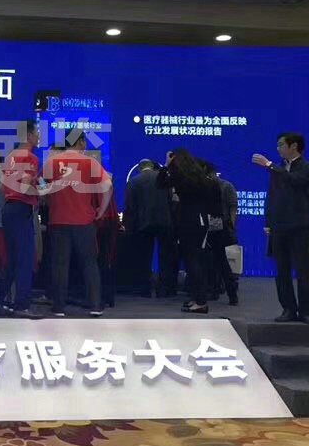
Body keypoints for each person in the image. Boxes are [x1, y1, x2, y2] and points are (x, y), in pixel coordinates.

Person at [43, 129, 112, 317]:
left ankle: (59, 307)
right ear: (81, 141)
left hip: (58, 220)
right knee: (89, 264)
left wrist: (51, 199)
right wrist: (101, 210)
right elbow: (108, 185)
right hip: (84, 221)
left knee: (60, 265)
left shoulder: (52, 162)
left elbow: (41, 185)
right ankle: (95, 305)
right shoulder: (90, 162)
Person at [254, 132, 309, 326]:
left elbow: (295, 181)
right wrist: (268, 221)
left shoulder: (307, 167)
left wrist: (269, 165)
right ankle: (288, 309)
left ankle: (305, 312)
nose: (278, 148)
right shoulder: (279, 169)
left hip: (299, 226)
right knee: (282, 270)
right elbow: (272, 197)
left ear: (294, 146)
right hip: (278, 226)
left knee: (302, 271)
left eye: (281, 144)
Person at [0, 120, 42, 319]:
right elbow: (25, 186)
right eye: (36, 132)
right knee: (25, 260)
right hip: (21, 209)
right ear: (28, 135)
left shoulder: (10, 157)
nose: (39, 136)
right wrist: (43, 191)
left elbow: (7, 187)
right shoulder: (30, 157)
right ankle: (22, 305)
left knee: (13, 259)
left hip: (9, 209)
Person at [157, 148, 215, 314]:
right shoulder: (199, 177)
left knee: (193, 261)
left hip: (189, 221)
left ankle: (200, 301)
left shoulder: (180, 177)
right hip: (198, 220)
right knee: (193, 261)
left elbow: (160, 183)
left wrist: (166, 165)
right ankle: (197, 298)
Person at [124, 159, 176, 297]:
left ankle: (144, 289)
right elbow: (171, 200)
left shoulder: (134, 181)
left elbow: (130, 206)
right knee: (165, 256)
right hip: (164, 222)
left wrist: (129, 226)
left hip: (143, 223)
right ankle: (165, 288)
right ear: (153, 167)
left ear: (140, 168)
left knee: (144, 257)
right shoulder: (164, 179)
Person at [204, 162, 239, 305]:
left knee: (220, 260)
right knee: (215, 261)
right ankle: (217, 290)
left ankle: (227, 291)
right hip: (211, 226)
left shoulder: (225, 186)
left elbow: (232, 207)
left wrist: (231, 226)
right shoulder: (207, 186)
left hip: (219, 226)